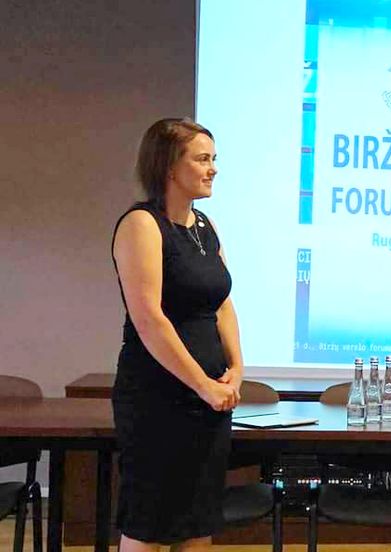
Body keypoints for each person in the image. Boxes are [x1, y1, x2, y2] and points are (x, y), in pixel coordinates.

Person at [112, 118, 243, 552]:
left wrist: (236, 368)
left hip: (209, 400)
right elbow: (149, 319)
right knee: (150, 522)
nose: (213, 168)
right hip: (158, 398)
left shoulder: (206, 226)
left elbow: (222, 303)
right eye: (202, 159)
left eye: (214, 159)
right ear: (169, 166)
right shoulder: (142, 224)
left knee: (197, 521)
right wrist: (202, 384)